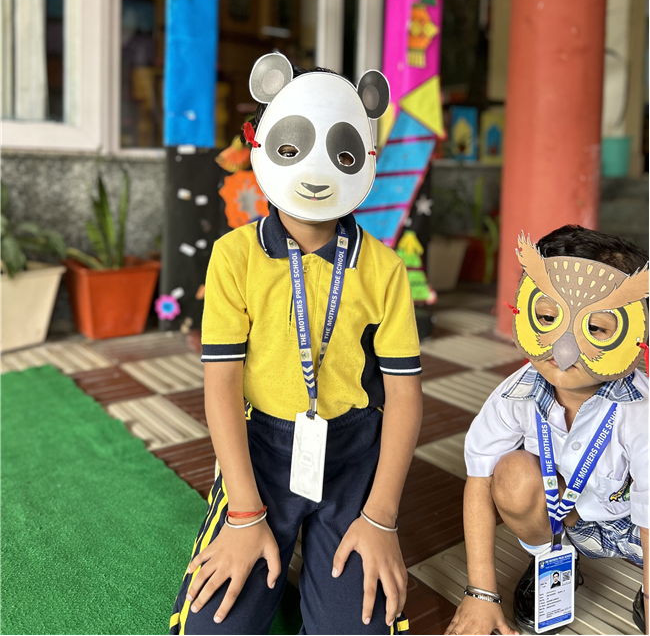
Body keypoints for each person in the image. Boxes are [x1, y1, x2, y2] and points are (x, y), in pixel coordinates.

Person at [170, 53, 423, 636]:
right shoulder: (233, 256)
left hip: (353, 454)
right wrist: (243, 513)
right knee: (212, 629)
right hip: (260, 449)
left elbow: (405, 397)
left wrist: (381, 519)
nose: (316, 169)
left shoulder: (386, 269)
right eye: (291, 147)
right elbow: (221, 387)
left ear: (368, 159)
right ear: (261, 144)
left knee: (359, 626)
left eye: (342, 154)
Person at [445, 225, 649, 636]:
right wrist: (481, 593)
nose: (563, 349)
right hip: (570, 519)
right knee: (511, 475)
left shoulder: (640, 412)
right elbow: (479, 479)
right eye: (547, 317)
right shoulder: (515, 395)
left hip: (636, 530)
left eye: (596, 328)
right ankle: (553, 561)